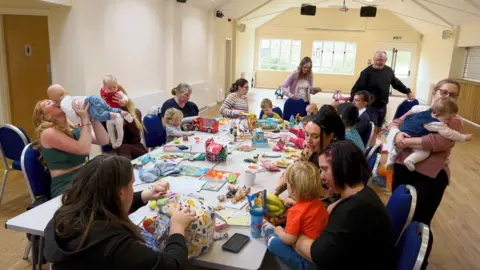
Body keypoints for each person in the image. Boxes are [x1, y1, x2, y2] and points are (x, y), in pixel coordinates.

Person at [43, 155, 198, 270]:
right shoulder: (117, 246)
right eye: (131, 185)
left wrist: (146, 195)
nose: (132, 189)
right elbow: (172, 265)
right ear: (120, 193)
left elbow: (106, 204)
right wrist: (177, 228)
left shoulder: (60, 219)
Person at [389, 78, 464, 269]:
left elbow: (436, 142)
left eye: (452, 94)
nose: (447, 96)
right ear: (434, 93)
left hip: (430, 177)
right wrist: (397, 134)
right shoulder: (418, 110)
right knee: (399, 216)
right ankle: (395, 257)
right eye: (443, 92)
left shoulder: (453, 120)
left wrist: (405, 142)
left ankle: (416, 263)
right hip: (403, 169)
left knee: (419, 223)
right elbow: (396, 122)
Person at [293, 140, 396, 270]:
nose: (321, 177)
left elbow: (318, 255)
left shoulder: (353, 211)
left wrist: (292, 233)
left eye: (325, 169)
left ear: (341, 168)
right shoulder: (363, 193)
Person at [32, 99, 109, 197]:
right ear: (46, 116)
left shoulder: (72, 127)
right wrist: (85, 120)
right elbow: (83, 149)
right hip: (66, 187)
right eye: (48, 103)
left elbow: (103, 141)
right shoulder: (48, 133)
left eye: (53, 100)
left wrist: (94, 118)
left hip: (84, 179)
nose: (55, 101)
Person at [263, 162, 328, 270]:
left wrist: (278, 230)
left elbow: (289, 239)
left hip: (305, 260)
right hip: (319, 252)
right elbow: (307, 210)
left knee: (273, 241)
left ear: (291, 188)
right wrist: (293, 202)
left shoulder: (296, 211)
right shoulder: (319, 204)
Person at [274, 105, 345, 199]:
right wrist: (276, 191)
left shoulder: (335, 160)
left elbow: (329, 198)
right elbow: (291, 171)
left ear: (330, 136)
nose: (308, 140)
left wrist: (291, 202)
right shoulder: (309, 150)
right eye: (306, 135)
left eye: (315, 136)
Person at [386, 97, 472, 171]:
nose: (450, 120)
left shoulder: (426, 110)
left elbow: (415, 108)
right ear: (437, 115)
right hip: (412, 135)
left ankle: (390, 160)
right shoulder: (437, 124)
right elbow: (450, 134)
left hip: (403, 129)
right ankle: (410, 160)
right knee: (425, 152)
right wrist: (464, 137)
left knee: (397, 147)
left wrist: (397, 133)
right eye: (448, 119)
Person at [350, 51, 415, 136]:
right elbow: (356, 88)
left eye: (381, 60)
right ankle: (369, 146)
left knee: (379, 128)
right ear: (374, 59)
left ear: (385, 60)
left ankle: (376, 145)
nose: (378, 62)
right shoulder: (366, 72)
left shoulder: (388, 71)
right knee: (372, 129)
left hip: (383, 106)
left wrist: (408, 91)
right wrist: (354, 102)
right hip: (371, 106)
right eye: (376, 60)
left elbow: (396, 83)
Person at [100, 76, 147, 160]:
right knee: (118, 151)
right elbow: (105, 139)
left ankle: (125, 170)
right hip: (117, 151)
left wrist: (123, 108)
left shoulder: (135, 112)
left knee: (124, 147)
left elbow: (135, 135)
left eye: (115, 96)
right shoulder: (107, 115)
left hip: (135, 148)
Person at [47, 84, 133, 128]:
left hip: (90, 103)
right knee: (108, 109)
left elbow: (70, 112)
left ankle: (115, 114)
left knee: (97, 115)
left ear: (55, 101)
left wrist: (77, 122)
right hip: (93, 99)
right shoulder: (69, 97)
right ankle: (121, 113)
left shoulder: (63, 104)